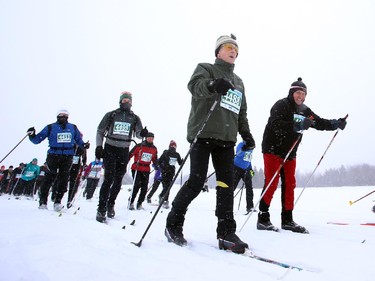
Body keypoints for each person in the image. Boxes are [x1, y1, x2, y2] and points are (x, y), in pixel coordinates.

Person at [165, 34, 255, 254]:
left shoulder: (239, 82)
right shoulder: (205, 68)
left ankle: (226, 232)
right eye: (228, 47)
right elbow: (195, 86)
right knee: (196, 182)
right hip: (203, 134)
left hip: (226, 140)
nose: (233, 50)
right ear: (218, 52)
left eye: (236, 48)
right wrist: (213, 84)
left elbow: (240, 111)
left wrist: (246, 133)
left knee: (226, 185)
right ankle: (173, 224)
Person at [258, 77, 347, 234]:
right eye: (298, 93)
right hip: (273, 148)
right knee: (272, 182)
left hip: (290, 151)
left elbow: (318, 122)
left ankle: (287, 220)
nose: (301, 96)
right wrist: (297, 125)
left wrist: (335, 123)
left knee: (290, 184)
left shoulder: (305, 110)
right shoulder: (281, 105)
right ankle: (263, 218)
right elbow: (276, 125)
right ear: (292, 93)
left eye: (303, 94)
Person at [95, 91, 146, 222]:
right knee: (108, 178)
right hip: (110, 148)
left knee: (118, 180)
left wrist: (144, 133)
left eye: (129, 100)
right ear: (120, 101)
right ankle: (101, 209)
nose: (126, 102)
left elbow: (139, 134)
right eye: (124, 100)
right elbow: (100, 131)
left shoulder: (135, 118)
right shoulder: (112, 114)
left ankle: (110, 204)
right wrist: (99, 146)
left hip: (124, 150)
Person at [27, 109, 89, 211]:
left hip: (68, 156)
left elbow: (78, 140)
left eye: (65, 115)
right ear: (57, 116)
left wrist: (84, 145)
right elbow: (37, 139)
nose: (63, 117)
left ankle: (58, 201)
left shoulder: (73, 127)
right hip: (53, 155)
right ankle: (43, 202)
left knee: (64, 180)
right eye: (61, 115)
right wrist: (32, 135)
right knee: (49, 178)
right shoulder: (51, 127)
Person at [128, 132, 158, 210]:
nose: (150, 139)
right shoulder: (139, 146)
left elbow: (154, 158)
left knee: (144, 187)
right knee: (136, 186)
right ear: (146, 138)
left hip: (146, 169)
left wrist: (156, 165)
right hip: (136, 168)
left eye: (152, 138)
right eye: (149, 138)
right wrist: (125, 161)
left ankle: (139, 203)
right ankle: (131, 202)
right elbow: (130, 154)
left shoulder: (154, 149)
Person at [157, 140, 182, 209]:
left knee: (168, 186)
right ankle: (165, 200)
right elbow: (159, 161)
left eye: (174, 146)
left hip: (171, 172)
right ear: (169, 146)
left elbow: (180, 163)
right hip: (165, 172)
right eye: (172, 146)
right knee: (167, 186)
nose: (173, 147)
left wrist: (182, 161)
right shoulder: (166, 152)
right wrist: (162, 168)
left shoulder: (177, 154)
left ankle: (162, 196)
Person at [233, 141, 255, 213]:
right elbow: (238, 154)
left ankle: (250, 207)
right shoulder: (241, 144)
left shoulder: (251, 148)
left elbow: (248, 159)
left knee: (249, 188)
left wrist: (250, 169)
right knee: (232, 187)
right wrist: (246, 149)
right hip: (237, 167)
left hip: (246, 169)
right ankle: (224, 205)